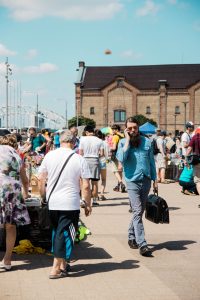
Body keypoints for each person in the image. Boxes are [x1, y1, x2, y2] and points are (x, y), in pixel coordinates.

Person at [38, 130, 92, 279]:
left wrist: (43, 196)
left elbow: (41, 179)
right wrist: (87, 204)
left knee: (58, 232)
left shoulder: (49, 156)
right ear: (74, 142)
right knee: (64, 233)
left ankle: (62, 265)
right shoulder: (79, 159)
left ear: (60, 141)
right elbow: (86, 185)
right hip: (70, 203)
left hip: (53, 201)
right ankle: (55, 268)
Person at [117, 117, 157, 256]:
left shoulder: (147, 141)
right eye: (130, 128)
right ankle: (142, 244)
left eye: (135, 127)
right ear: (126, 129)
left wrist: (155, 179)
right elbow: (121, 159)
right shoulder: (122, 142)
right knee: (138, 209)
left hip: (145, 178)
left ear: (138, 128)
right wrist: (127, 141)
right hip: (132, 180)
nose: (133, 130)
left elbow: (151, 161)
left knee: (138, 211)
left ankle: (131, 236)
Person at [0, 134, 30, 271]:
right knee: (10, 226)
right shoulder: (17, 156)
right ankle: (7, 260)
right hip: (13, 192)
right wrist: (26, 192)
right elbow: (24, 179)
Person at [79, 125, 104, 206]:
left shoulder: (82, 139)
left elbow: (80, 153)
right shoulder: (99, 140)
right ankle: (95, 201)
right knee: (95, 183)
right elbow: (102, 153)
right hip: (95, 161)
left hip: (85, 161)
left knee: (84, 182)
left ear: (86, 132)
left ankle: (83, 199)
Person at [186, 127, 200, 207]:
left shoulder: (195, 137)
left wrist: (186, 158)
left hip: (197, 161)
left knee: (198, 181)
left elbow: (189, 149)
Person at [110, 124, 126, 193]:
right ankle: (118, 186)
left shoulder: (115, 137)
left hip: (115, 155)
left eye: (113, 129)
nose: (112, 131)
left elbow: (113, 147)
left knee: (115, 170)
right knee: (120, 171)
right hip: (122, 155)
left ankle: (121, 183)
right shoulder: (122, 136)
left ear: (116, 130)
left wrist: (109, 148)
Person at [95, 129, 109, 200]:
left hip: (95, 162)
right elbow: (106, 154)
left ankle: (96, 195)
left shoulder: (94, 142)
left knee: (95, 180)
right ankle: (102, 194)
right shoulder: (105, 143)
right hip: (103, 161)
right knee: (103, 179)